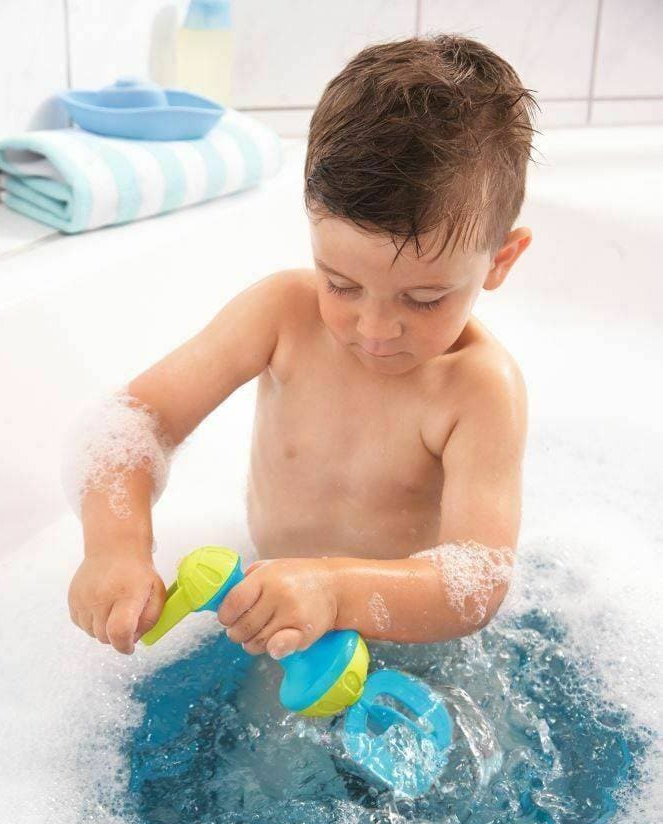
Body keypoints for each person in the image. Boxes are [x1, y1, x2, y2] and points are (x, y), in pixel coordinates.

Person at [67, 34, 538, 660]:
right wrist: (116, 549)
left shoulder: (478, 389)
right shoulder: (281, 316)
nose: (374, 327)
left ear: (499, 261)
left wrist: (335, 591)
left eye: (423, 299)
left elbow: (473, 585)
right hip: (272, 621)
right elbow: (134, 420)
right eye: (341, 284)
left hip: (406, 644)